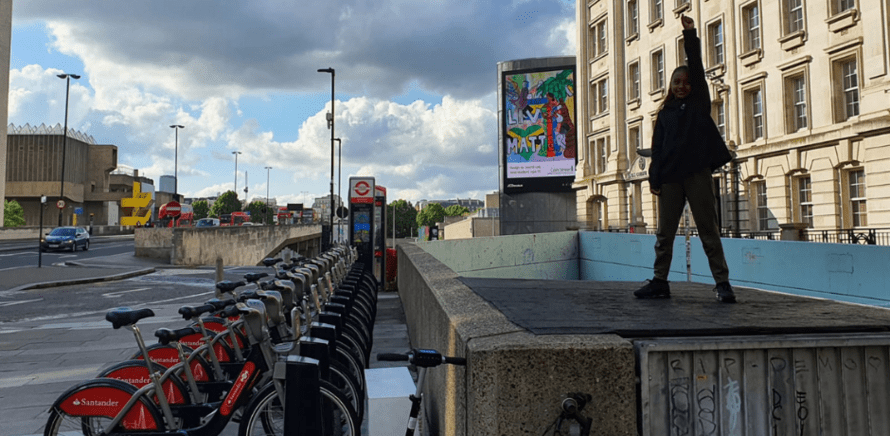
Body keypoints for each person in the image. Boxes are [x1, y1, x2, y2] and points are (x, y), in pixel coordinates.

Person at [634, 15, 736, 303]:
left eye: (686, 82)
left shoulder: (698, 104)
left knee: (708, 230)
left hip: (696, 174)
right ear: (670, 85)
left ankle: (723, 283)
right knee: (664, 234)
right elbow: (657, 149)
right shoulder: (665, 113)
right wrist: (654, 179)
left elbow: (697, 68)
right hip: (670, 178)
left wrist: (690, 35)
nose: (681, 86)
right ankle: (660, 281)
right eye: (676, 82)